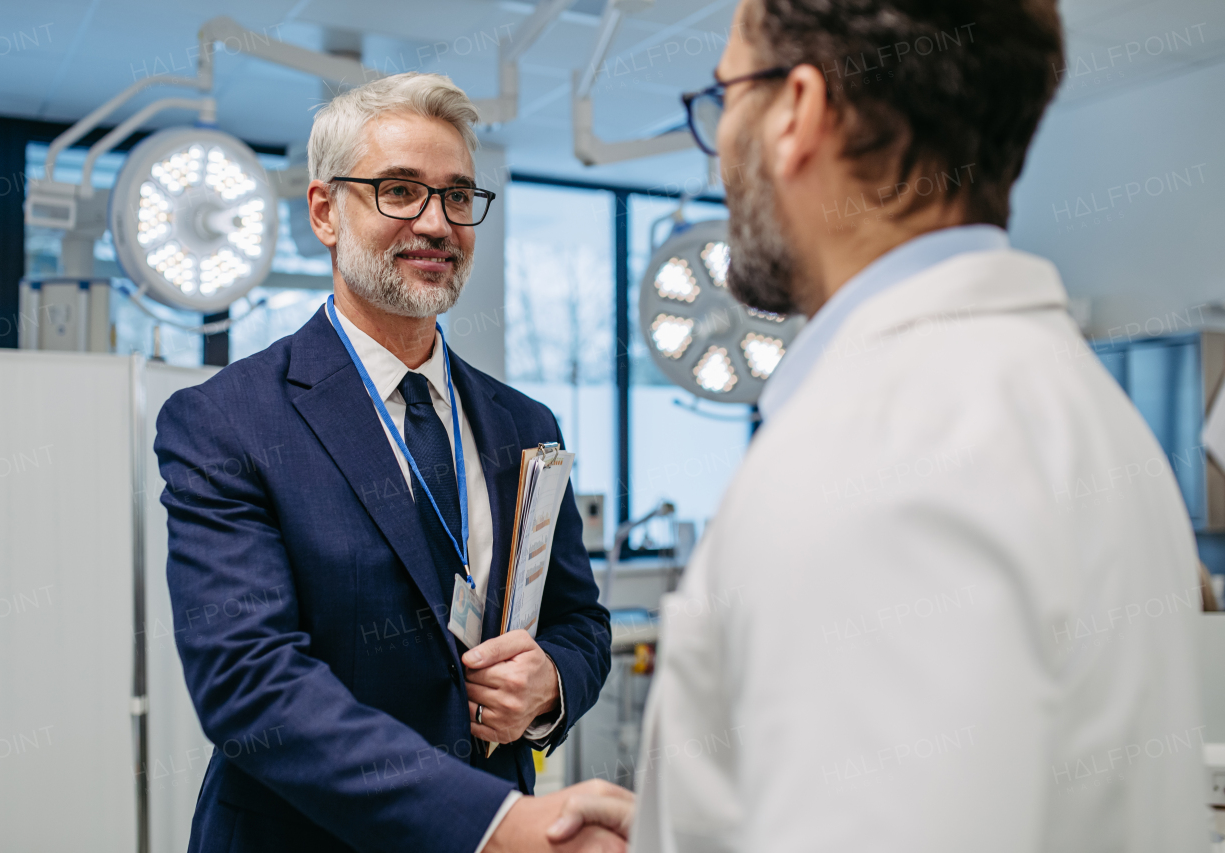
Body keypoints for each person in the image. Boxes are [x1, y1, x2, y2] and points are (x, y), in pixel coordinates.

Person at [550, 0, 1208, 850]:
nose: (718, 155)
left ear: (800, 112)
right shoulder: (1083, 410)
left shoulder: (879, 455)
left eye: (725, 100)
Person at [155, 72, 625, 853]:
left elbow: (581, 622)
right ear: (324, 211)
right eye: (399, 190)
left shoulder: (523, 423)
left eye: (457, 196)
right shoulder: (227, 421)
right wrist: (493, 824)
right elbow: (251, 684)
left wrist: (549, 686)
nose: (436, 223)